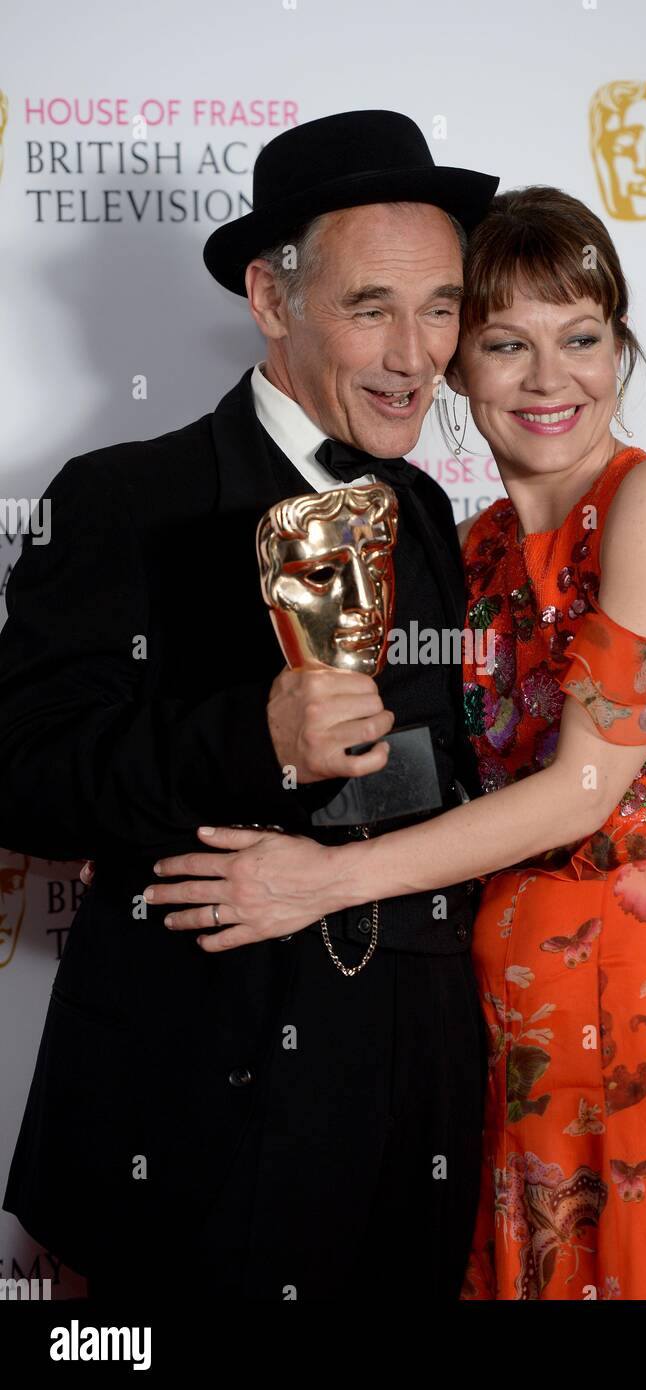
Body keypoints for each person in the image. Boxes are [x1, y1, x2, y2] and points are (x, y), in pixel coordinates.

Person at [144, 187, 646, 1302]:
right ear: (456, 368)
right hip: (499, 1029)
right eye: (506, 344)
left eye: (582, 338)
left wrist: (323, 883)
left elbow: (577, 792)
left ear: (619, 346)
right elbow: (413, 760)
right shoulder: (458, 546)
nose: (548, 378)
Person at [0, 110, 506, 1301]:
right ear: (271, 304)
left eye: (440, 307)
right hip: (186, 1129)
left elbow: (446, 772)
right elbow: (20, 772)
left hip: (407, 1120)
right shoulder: (125, 496)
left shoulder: (428, 512)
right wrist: (252, 738)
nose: (416, 353)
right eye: (371, 306)